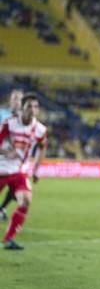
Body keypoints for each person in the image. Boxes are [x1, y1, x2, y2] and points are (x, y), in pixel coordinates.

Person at [0, 93, 48, 250]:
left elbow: (42, 147)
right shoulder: (9, 123)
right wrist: (6, 152)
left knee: (26, 200)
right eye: (29, 106)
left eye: (36, 107)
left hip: (18, 171)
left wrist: (36, 170)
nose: (33, 110)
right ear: (23, 108)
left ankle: (9, 239)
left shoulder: (40, 129)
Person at [0, 89, 23, 221]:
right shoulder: (2, 113)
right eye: (14, 98)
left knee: (18, 188)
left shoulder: (24, 117)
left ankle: (2, 208)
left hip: (15, 157)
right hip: (2, 154)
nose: (16, 101)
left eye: (19, 99)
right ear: (10, 100)